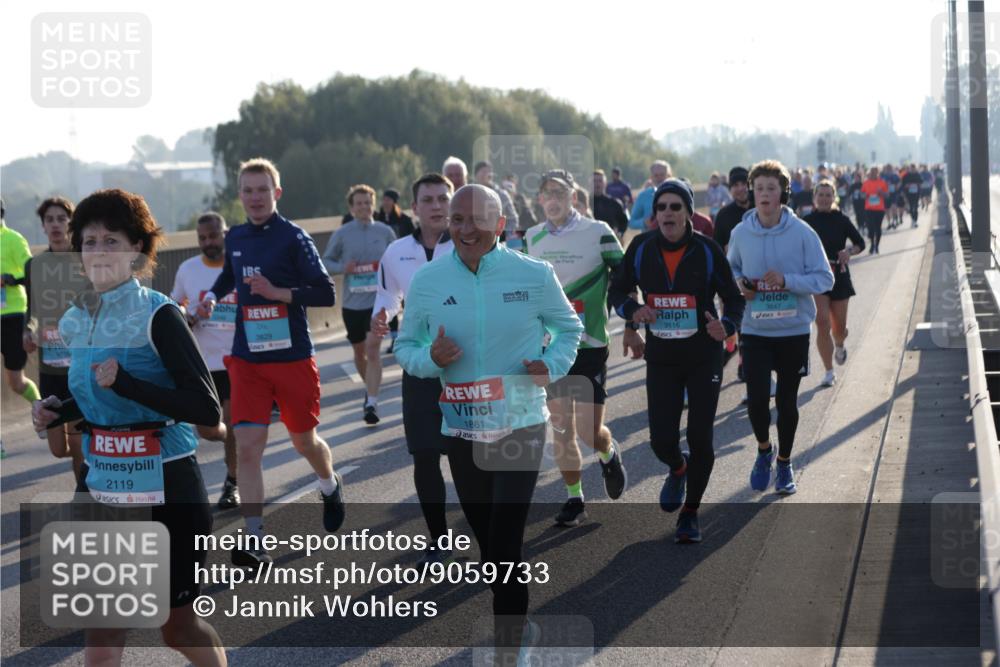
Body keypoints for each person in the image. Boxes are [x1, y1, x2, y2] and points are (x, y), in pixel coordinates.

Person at [32, 188, 227, 667]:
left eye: (111, 240)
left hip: (167, 486)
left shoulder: (158, 313)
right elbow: (96, 394)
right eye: (90, 240)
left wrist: (131, 383)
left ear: (136, 248)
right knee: (102, 633)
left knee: (178, 628)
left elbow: (206, 408)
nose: (99, 251)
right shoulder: (77, 318)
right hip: (102, 484)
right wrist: (57, 409)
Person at [395, 184, 583, 661]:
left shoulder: (533, 274)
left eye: (476, 220)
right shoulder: (429, 281)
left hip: (519, 423)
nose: (464, 229)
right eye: (456, 220)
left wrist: (553, 364)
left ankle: (511, 641)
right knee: (489, 548)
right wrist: (430, 359)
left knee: (505, 541)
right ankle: (514, 620)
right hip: (462, 429)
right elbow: (406, 347)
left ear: (501, 225)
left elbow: (568, 328)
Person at [197, 158, 343, 566]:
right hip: (248, 360)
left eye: (263, 190)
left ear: (276, 193)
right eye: (248, 190)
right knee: (247, 447)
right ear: (239, 196)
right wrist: (212, 294)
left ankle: (329, 484)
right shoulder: (238, 236)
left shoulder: (294, 238)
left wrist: (281, 293)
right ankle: (255, 540)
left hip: (293, 356)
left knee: (303, 441)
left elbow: (325, 293)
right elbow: (230, 274)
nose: (255, 197)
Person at [610, 178, 745, 542]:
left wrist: (727, 326)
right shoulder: (640, 248)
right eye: (661, 208)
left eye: (675, 207)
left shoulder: (706, 250)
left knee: (701, 437)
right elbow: (618, 289)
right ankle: (677, 466)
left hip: (703, 356)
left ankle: (690, 513)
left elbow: (734, 299)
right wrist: (633, 312)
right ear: (654, 215)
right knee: (660, 439)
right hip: (663, 357)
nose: (667, 213)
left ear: (688, 212)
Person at [524, 169, 627, 527]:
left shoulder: (598, 233)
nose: (553, 199)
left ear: (573, 197)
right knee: (561, 427)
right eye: (546, 193)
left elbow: (625, 276)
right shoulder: (531, 239)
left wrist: (632, 320)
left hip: (590, 344)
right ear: (540, 200)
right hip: (550, 349)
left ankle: (608, 452)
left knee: (588, 431)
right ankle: (574, 498)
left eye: (560, 193)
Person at [727, 160, 834, 496]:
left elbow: (824, 278)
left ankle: (785, 463)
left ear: (783, 193)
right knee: (757, 400)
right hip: (755, 330)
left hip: (792, 332)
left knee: (786, 402)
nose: (764, 194)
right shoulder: (741, 233)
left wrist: (788, 281)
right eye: (759, 188)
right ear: (752, 193)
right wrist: (740, 285)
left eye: (771, 188)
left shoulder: (803, 233)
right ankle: (764, 451)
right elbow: (728, 273)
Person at [371, 173, 455, 563]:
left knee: (468, 456)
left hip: (466, 365)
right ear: (415, 207)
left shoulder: (473, 244)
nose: (437, 206)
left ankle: (490, 531)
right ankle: (439, 539)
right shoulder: (396, 252)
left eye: (443, 198)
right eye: (429, 199)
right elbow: (388, 296)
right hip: (420, 365)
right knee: (424, 454)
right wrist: (381, 316)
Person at [171, 212, 240, 509]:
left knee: (232, 422)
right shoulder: (188, 270)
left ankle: (232, 482)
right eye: (202, 238)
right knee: (209, 430)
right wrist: (189, 315)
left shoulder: (238, 268)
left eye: (213, 236)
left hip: (236, 360)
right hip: (203, 363)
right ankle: (232, 439)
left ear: (224, 233)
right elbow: (175, 306)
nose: (208, 243)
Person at [22, 196, 86, 480]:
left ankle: (84, 499)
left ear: (71, 223)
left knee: (75, 441)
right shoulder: (34, 264)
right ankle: (93, 452)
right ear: (43, 226)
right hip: (50, 367)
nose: (56, 224)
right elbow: (31, 309)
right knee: (58, 449)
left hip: (79, 364)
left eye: (62, 219)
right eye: (50, 220)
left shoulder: (84, 260)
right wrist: (29, 329)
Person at [322, 184, 396, 424]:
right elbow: (326, 261)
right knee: (360, 351)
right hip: (353, 304)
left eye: (367, 202)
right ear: (352, 208)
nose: (364, 207)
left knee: (373, 347)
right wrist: (344, 268)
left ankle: (372, 401)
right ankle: (370, 389)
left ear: (373, 204)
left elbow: (396, 260)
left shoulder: (385, 231)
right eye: (359, 203)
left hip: (379, 301)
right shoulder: (342, 234)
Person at [803, 181, 865, 387]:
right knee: (822, 322)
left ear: (834, 197)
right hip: (817, 276)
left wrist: (848, 252)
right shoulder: (806, 221)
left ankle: (839, 343)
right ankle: (829, 371)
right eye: (820, 194)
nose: (824, 198)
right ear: (814, 198)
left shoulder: (842, 220)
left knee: (838, 328)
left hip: (839, 275)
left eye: (828, 195)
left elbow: (860, 243)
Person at [0, 200, 41, 410]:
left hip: (12, 316)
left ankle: (42, 410)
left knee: (16, 383)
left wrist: (10, 279)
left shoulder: (13, 239)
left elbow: (31, 271)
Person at [473, 160, 519, 232]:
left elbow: (513, 219)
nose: (486, 175)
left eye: (488, 172)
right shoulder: (468, 195)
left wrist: (502, 235)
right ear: (476, 175)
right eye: (483, 172)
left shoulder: (501, 195)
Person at [629, 160, 672, 229]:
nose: (659, 178)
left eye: (662, 175)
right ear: (651, 177)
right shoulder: (643, 196)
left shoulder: (678, 195)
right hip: (650, 237)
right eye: (656, 175)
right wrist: (644, 222)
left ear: (669, 176)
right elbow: (631, 222)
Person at [592, 169, 629, 238]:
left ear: (605, 183)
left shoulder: (614, 203)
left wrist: (619, 233)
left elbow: (624, 222)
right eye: (594, 181)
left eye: (600, 181)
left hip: (608, 242)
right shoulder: (585, 203)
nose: (597, 184)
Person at [861, 166, 889, 254]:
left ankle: (876, 246)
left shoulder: (882, 183)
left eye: (875, 172)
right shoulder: (866, 183)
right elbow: (862, 194)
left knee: (878, 228)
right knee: (870, 228)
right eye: (872, 172)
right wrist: (865, 196)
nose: (873, 174)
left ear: (878, 173)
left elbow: (887, 195)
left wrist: (881, 192)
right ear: (870, 173)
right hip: (869, 209)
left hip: (879, 209)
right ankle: (872, 244)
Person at [901, 163, 922, 228]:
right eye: (911, 168)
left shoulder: (917, 175)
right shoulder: (906, 176)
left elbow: (921, 183)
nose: (912, 169)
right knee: (910, 207)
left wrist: (916, 184)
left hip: (916, 193)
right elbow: (903, 184)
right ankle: (912, 219)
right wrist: (907, 186)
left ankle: (915, 221)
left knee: (915, 207)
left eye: (913, 168)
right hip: (909, 194)